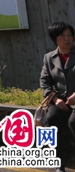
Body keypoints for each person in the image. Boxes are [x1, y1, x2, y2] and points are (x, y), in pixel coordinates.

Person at [40, 21, 75, 171]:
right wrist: (55, 99)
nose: (67, 39)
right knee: (51, 118)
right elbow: (45, 81)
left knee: (74, 121)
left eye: (70, 35)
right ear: (55, 38)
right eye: (63, 36)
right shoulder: (49, 57)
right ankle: (59, 164)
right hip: (61, 101)